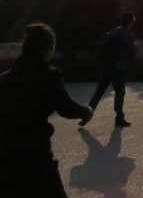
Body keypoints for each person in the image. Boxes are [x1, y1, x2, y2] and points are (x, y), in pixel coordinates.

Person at [0, 22, 94, 197]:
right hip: (35, 157)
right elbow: (67, 108)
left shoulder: (4, 78)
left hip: (5, 158)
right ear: (48, 49)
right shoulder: (49, 75)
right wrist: (86, 111)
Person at [85, 12, 137, 127]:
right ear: (131, 22)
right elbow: (132, 52)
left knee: (99, 91)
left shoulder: (114, 31)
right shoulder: (127, 34)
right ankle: (119, 118)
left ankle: (86, 114)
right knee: (119, 93)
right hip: (117, 68)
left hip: (106, 66)